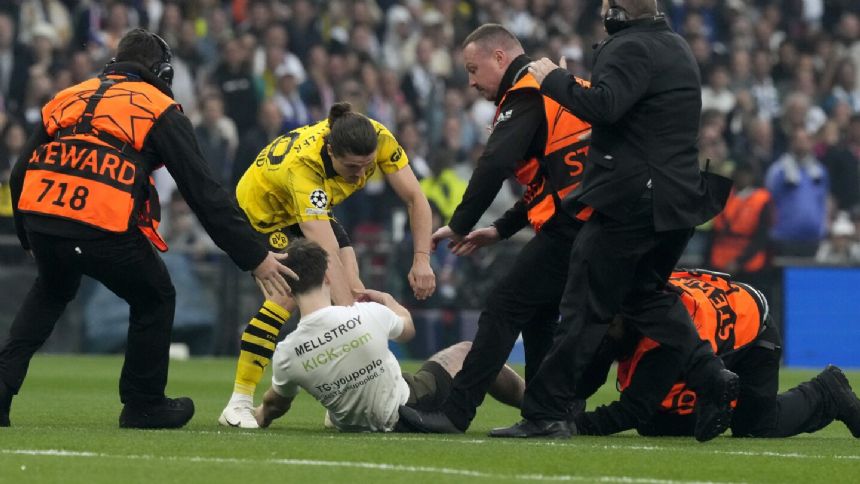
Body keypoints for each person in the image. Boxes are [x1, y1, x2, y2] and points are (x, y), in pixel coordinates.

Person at [0, 29, 294, 429]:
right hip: (101, 223)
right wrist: (255, 257)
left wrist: (27, 234)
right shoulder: (158, 108)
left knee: (50, 292)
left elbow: (21, 170)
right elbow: (203, 192)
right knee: (155, 295)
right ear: (163, 72)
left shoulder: (70, 94)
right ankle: (143, 404)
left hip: (43, 219)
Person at [495, 0, 735, 441]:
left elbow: (605, 105)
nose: (603, 11)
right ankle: (710, 373)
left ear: (622, 12)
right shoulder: (677, 46)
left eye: (609, 5)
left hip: (632, 200)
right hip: (679, 201)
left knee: (584, 304)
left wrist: (554, 78)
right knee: (645, 296)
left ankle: (546, 411)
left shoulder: (630, 47)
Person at [396, 24, 592, 434]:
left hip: (573, 224)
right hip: (588, 219)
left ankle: (456, 412)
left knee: (504, 305)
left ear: (500, 58)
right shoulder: (557, 87)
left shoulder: (525, 89)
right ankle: (550, 414)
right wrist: (500, 229)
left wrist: (461, 223)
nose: (470, 82)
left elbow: (495, 164)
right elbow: (548, 181)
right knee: (539, 314)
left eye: (473, 69)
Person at [219, 102, 436, 428]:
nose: (361, 175)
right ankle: (238, 402)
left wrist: (422, 260)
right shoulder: (304, 167)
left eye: (367, 167)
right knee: (288, 293)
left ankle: (340, 407)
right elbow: (326, 250)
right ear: (331, 152)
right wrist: (353, 325)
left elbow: (416, 198)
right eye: (352, 167)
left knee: (354, 286)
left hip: (307, 209)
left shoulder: (377, 136)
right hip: (263, 216)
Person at [253, 239, 523, 432]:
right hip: (410, 408)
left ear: (287, 288)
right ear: (327, 278)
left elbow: (276, 403)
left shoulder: (287, 352)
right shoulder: (365, 313)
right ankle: (540, 407)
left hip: (350, 423)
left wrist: (260, 416)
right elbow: (408, 330)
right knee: (466, 350)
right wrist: (387, 299)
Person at [571, 269, 860, 439]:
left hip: (752, 332)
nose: (604, 332)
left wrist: (575, 425)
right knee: (658, 424)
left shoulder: (664, 337)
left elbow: (633, 410)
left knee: (756, 425)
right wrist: (566, 400)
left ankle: (827, 392)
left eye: (609, 325)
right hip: (716, 322)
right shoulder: (638, 302)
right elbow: (598, 356)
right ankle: (718, 399)